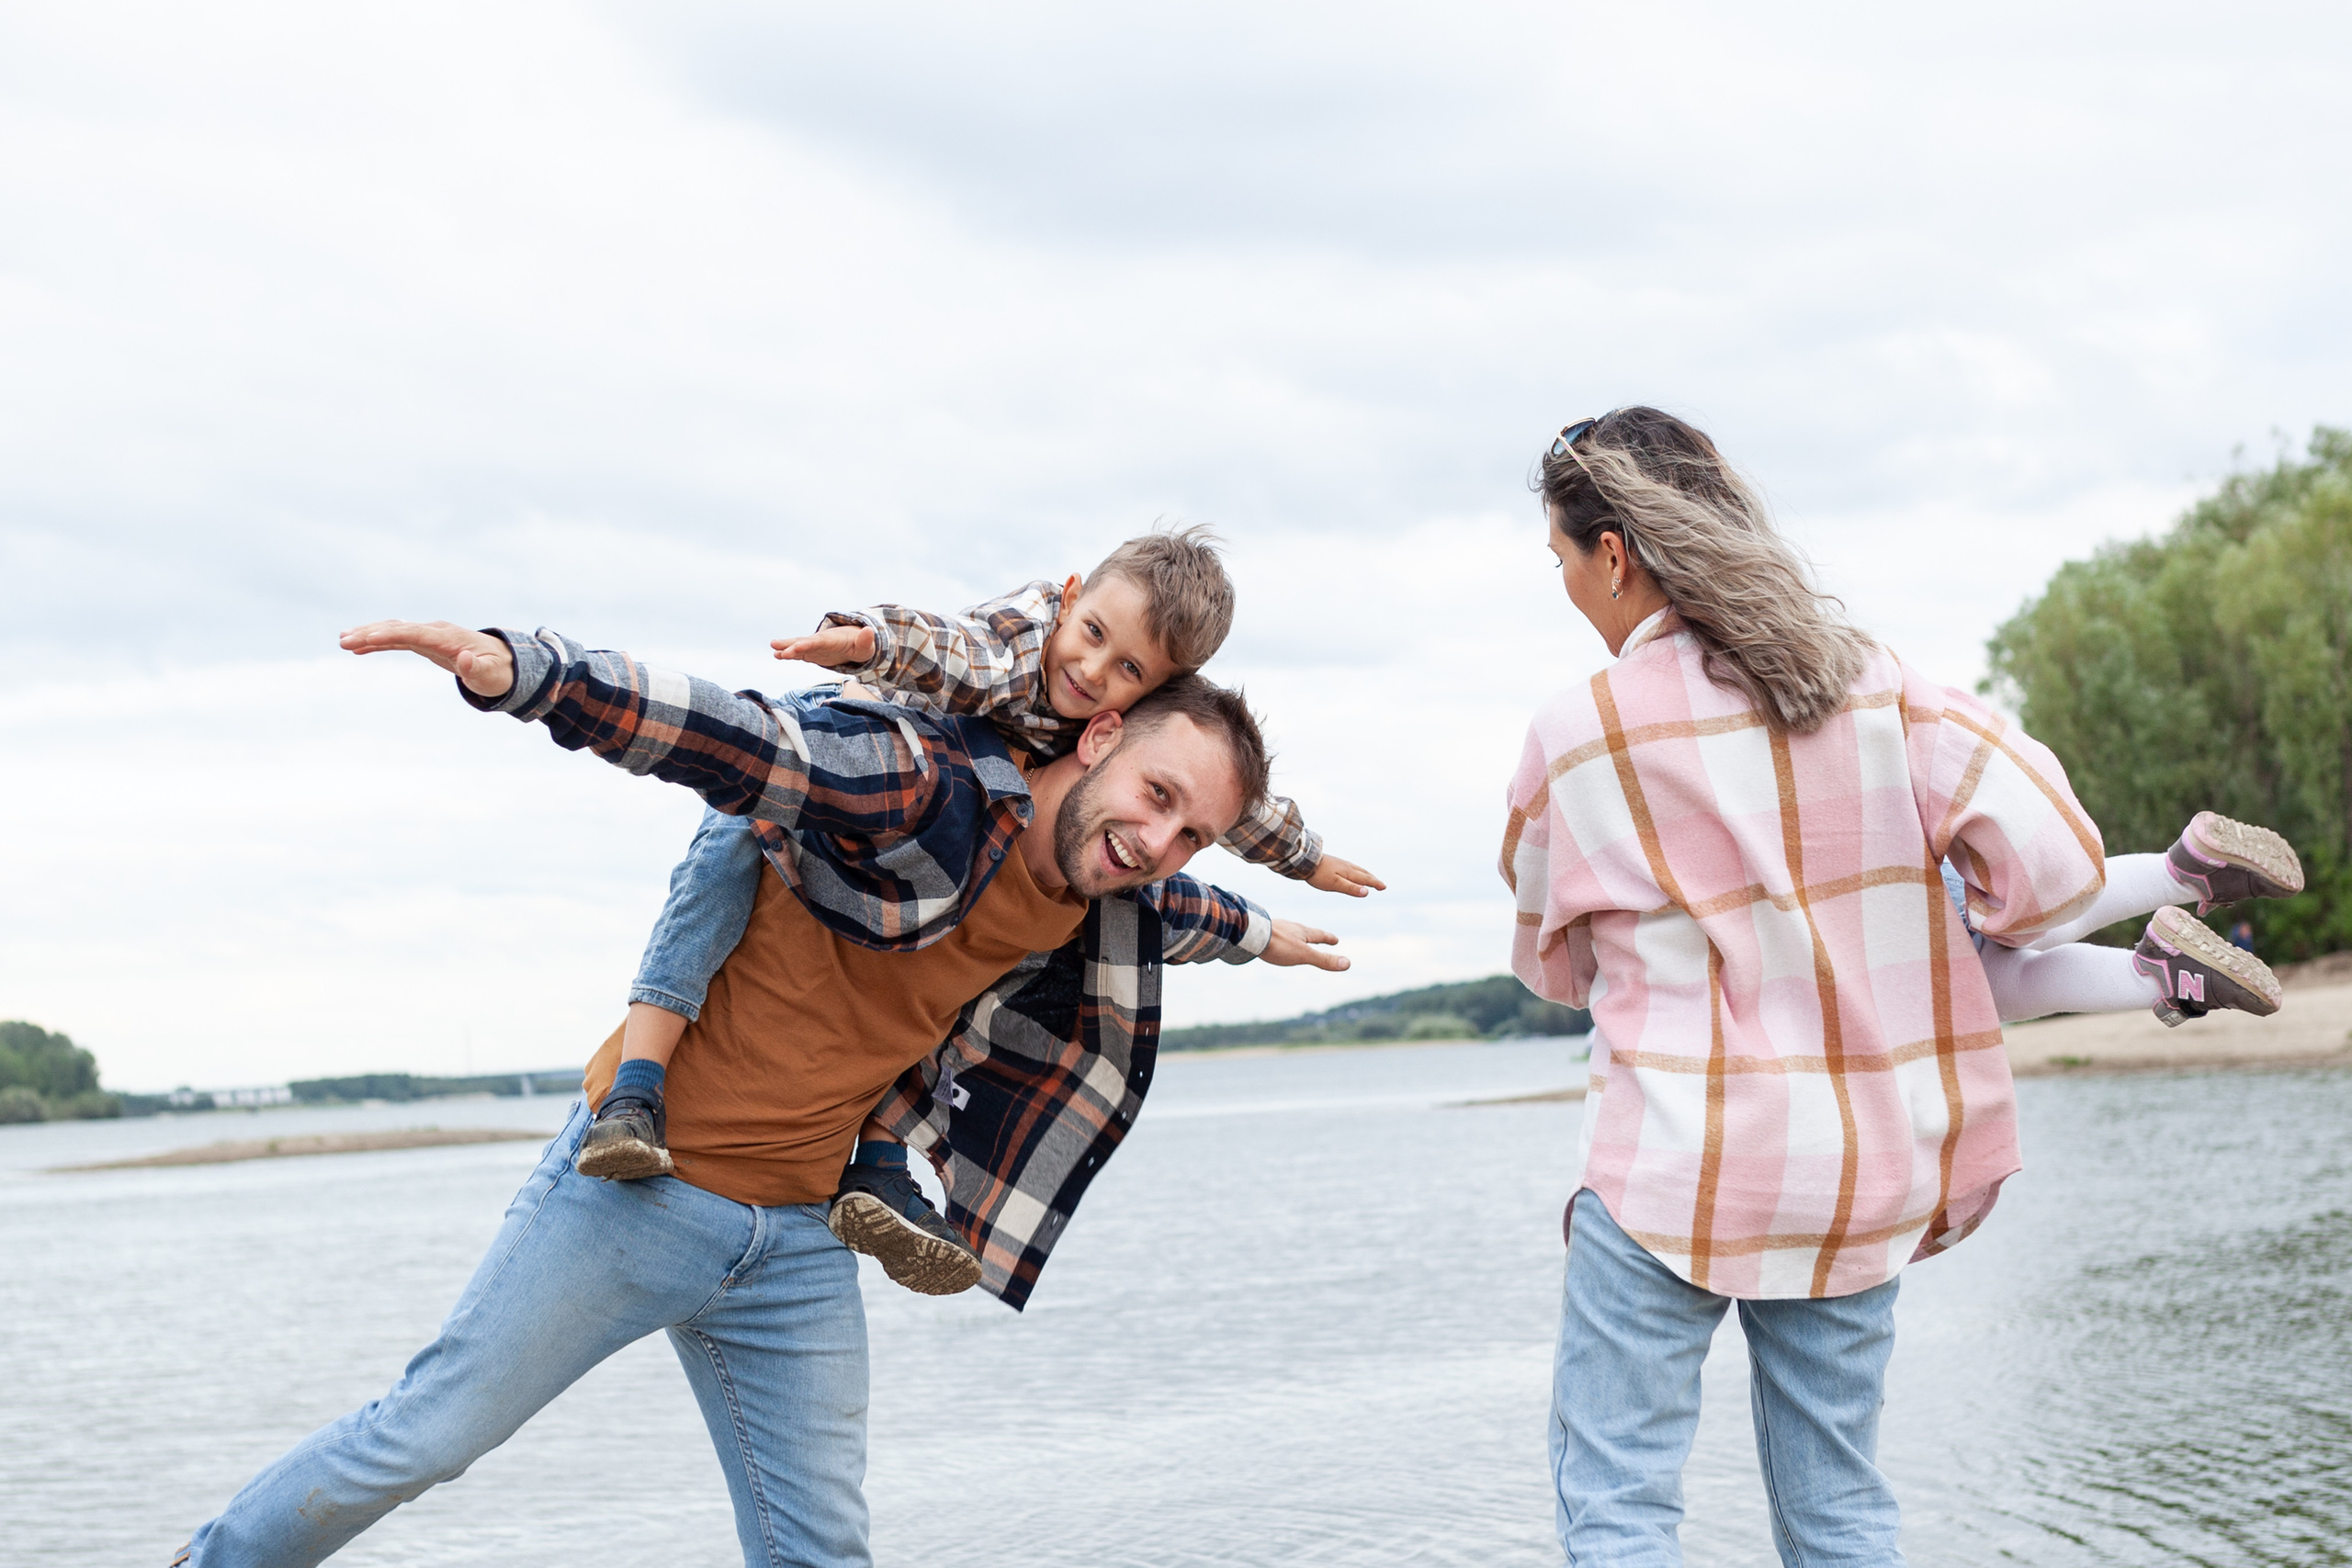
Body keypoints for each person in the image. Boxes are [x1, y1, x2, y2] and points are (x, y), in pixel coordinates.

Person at [173, 617, 1351, 1568]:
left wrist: (1258, 930)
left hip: (795, 1240)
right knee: (418, 1442)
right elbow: (742, 742)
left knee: (822, 1551)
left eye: (1191, 830)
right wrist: (532, 676)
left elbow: (1167, 910)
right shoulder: (921, 785)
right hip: (635, 1195)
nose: (1157, 840)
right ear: (1096, 741)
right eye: (1156, 796)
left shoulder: (1099, 896)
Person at [1501, 407, 2298, 1565]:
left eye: (1563, 559)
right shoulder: (1865, 681)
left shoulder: (1576, 736)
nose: (1568, 584)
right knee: (1839, 1507)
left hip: (1669, 1171)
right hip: (1853, 1168)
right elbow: (2051, 865)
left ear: (1612, 553)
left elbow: (1548, 964)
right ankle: (2166, 922)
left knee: (1620, 1501)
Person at [582, 527, 1385, 1297]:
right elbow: (942, 644)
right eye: (1093, 632)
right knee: (720, 859)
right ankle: (637, 1088)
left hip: (969, 823)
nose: (1094, 668)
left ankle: (881, 1164)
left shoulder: (1125, 746)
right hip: (848, 745)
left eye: (1130, 667)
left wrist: (1302, 865)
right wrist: (865, 641)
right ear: (1069, 597)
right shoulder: (1020, 643)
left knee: (953, 976)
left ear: (1157, 690)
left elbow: (1217, 809)